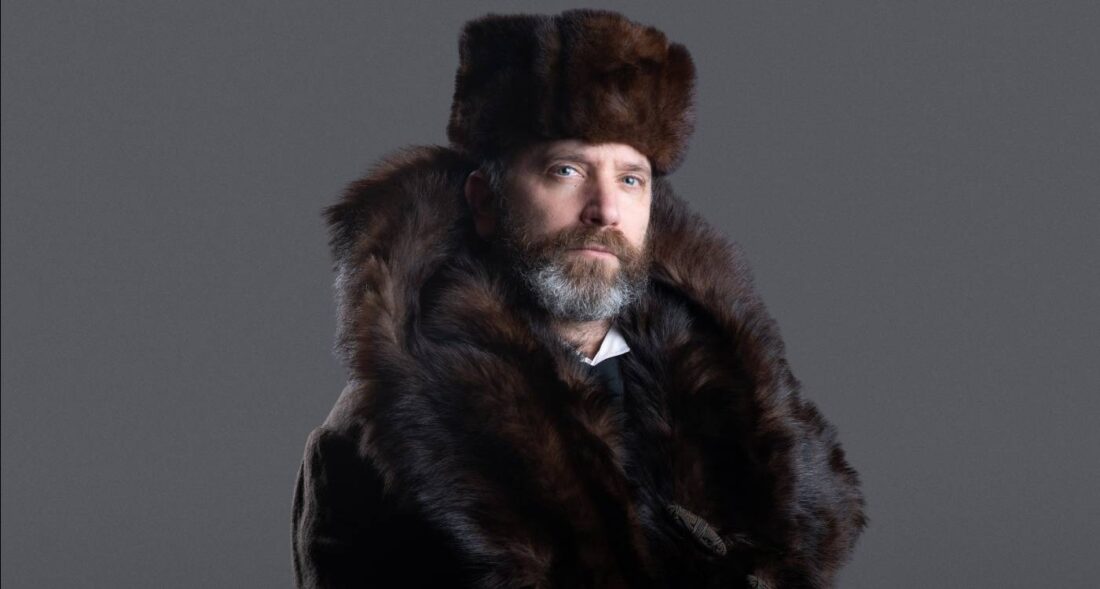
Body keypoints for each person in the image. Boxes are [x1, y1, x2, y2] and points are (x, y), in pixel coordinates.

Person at [291, 8, 866, 588]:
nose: (606, 210)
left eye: (630, 179)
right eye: (566, 170)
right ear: (485, 201)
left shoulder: (735, 404)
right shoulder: (378, 440)